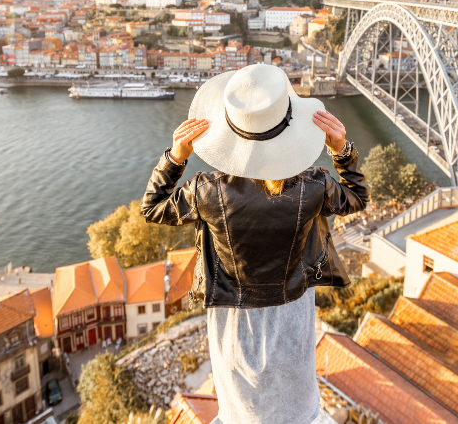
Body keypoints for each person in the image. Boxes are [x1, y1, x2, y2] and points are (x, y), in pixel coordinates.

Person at [141, 64, 368, 424]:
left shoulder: (207, 191)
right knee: (296, 410)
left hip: (233, 320)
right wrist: (342, 150)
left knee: (241, 412)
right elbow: (358, 197)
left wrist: (175, 157)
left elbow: (152, 208)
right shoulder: (313, 186)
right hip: (292, 312)